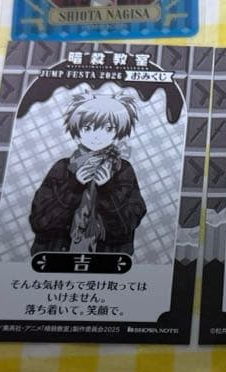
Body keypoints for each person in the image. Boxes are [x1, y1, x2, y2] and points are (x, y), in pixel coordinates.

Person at [29, 92, 146, 255]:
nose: (97, 135)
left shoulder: (122, 169)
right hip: (55, 256)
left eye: (108, 128)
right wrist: (73, 188)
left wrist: (107, 191)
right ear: (76, 130)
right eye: (88, 127)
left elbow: (127, 225)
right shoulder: (63, 168)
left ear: (118, 131)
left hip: (106, 260)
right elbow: (40, 222)